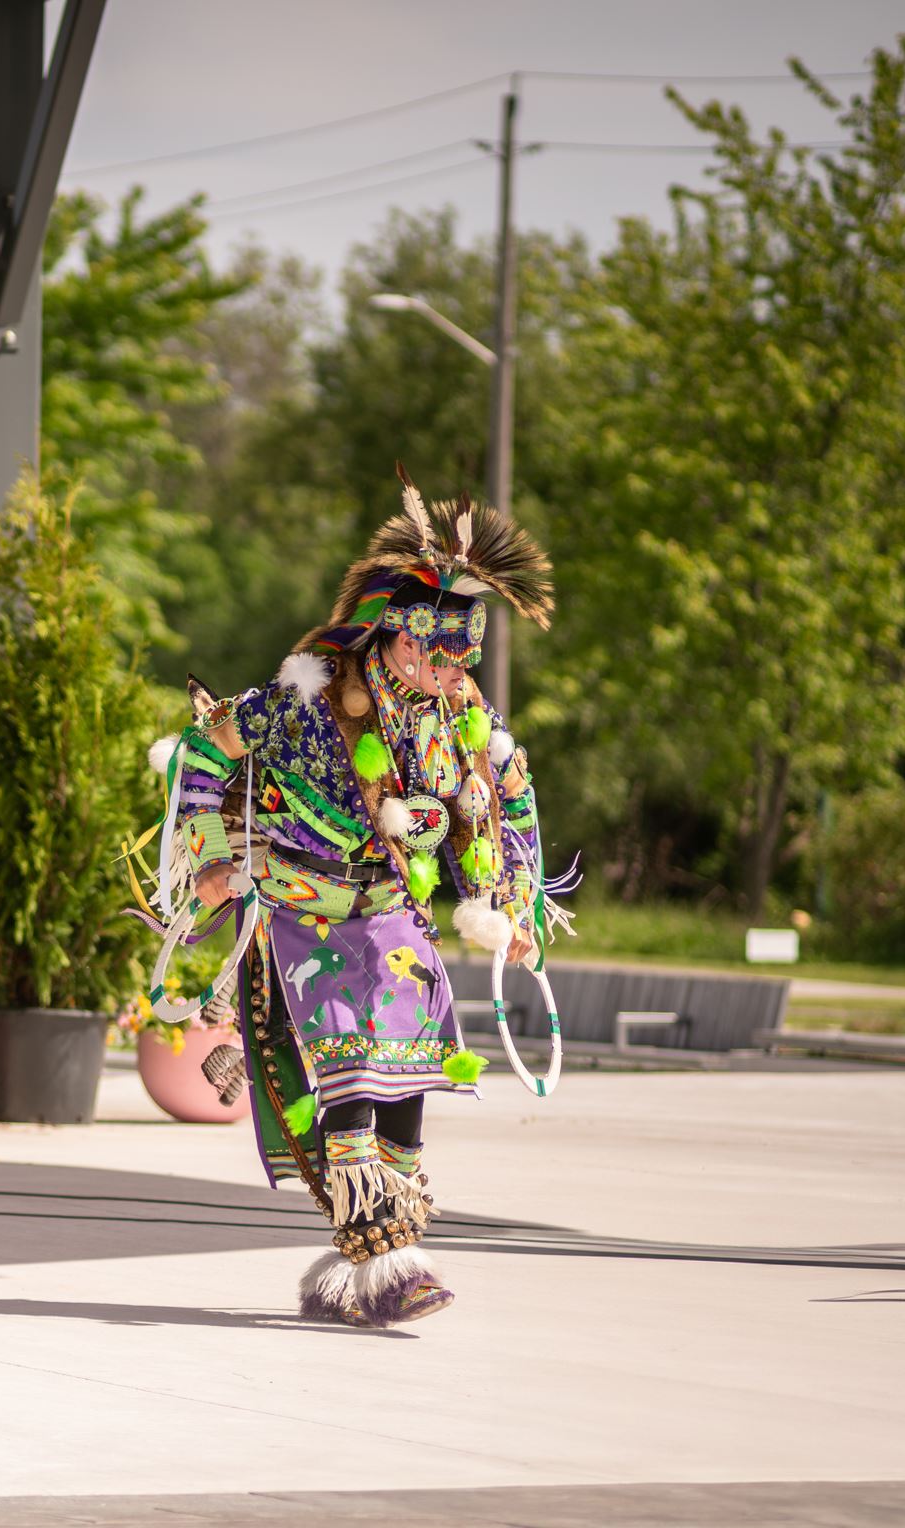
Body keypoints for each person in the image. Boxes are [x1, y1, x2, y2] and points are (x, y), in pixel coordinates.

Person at [142, 472, 565, 1329]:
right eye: (431, 653)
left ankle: (361, 1268)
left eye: (460, 657)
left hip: (387, 917)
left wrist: (511, 907)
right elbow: (197, 751)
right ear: (392, 635)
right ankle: (389, 1261)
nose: (446, 670)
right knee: (350, 1083)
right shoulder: (303, 701)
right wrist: (214, 858)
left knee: (405, 1081)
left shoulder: (459, 719)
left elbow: (505, 796)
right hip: (297, 916)